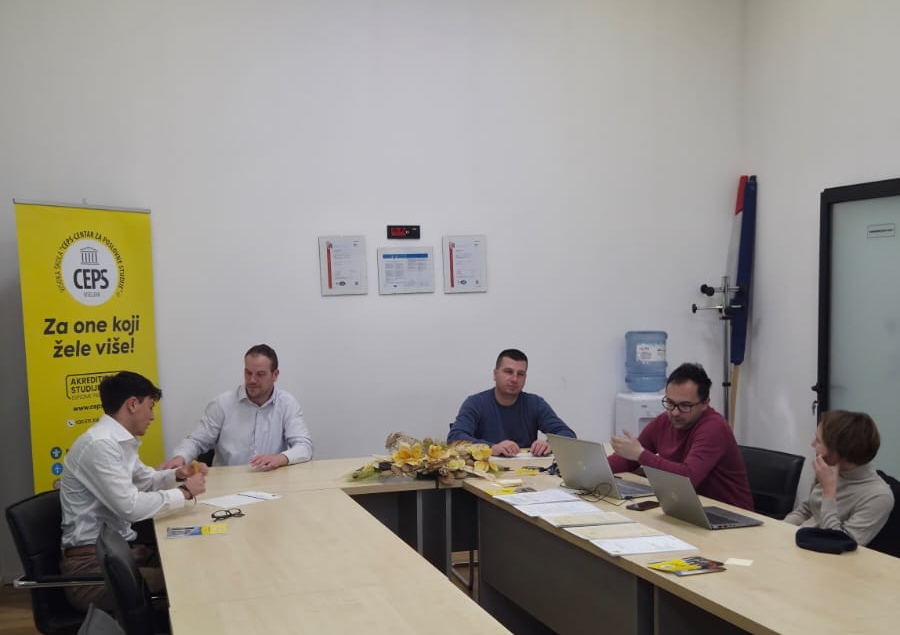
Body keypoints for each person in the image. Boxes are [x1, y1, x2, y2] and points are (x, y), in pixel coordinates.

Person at [60, 371, 207, 611]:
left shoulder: (118, 441)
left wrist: (178, 474)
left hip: (121, 554)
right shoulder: (100, 445)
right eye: (150, 407)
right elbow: (130, 507)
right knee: (189, 581)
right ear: (132, 404)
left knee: (195, 559)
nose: (152, 416)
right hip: (93, 569)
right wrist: (185, 493)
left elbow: (146, 480)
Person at [607, 362, 753, 510]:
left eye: (685, 406)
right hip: (689, 507)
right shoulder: (664, 421)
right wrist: (597, 470)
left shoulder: (714, 427)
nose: (675, 412)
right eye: (670, 403)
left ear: (705, 404)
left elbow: (686, 477)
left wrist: (641, 455)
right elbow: (628, 459)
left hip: (730, 513)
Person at [160, 344, 313, 471]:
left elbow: (304, 447)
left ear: (275, 375)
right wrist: (180, 457)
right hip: (227, 482)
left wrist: (280, 458)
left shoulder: (287, 404)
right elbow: (196, 441)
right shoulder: (222, 404)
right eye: (248, 373)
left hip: (271, 480)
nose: (252, 380)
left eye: (260, 374)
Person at [784, 410, 893, 546]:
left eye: (818, 441)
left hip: (825, 553)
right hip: (800, 544)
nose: (812, 444)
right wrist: (779, 530)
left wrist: (829, 493)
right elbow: (805, 510)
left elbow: (837, 543)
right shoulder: (833, 470)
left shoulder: (879, 496)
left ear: (838, 452)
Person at [447, 348, 576, 456]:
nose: (514, 379)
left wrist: (549, 444)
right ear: (495, 374)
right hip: (486, 472)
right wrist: (491, 448)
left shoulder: (535, 403)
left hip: (527, 472)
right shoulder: (475, 403)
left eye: (520, 374)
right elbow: (455, 438)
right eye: (508, 372)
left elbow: (568, 434)